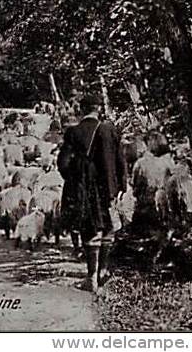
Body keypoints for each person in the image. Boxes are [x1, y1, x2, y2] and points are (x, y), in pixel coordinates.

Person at [57, 94, 127, 292]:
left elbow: (63, 163)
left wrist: (74, 180)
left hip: (84, 188)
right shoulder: (110, 130)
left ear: (81, 109)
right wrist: (120, 186)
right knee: (108, 227)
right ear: (99, 109)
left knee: (90, 228)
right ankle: (103, 271)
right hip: (108, 186)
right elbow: (120, 160)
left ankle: (91, 278)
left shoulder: (74, 132)